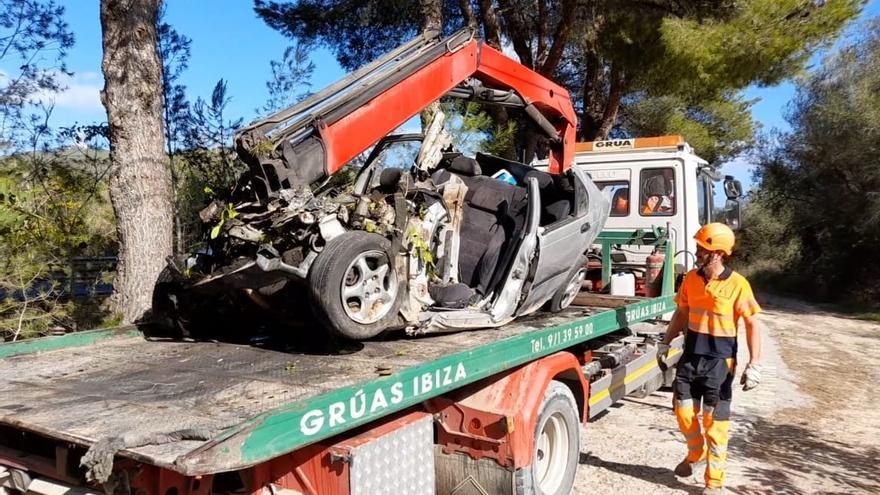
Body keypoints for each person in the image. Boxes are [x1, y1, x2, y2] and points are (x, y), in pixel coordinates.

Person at [659, 223, 763, 495]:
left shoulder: (738, 285)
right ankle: (696, 452)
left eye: (701, 248)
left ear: (717, 253)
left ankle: (713, 482)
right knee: (682, 413)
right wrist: (665, 341)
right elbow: (681, 313)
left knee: (714, 424)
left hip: (720, 363)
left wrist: (755, 364)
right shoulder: (691, 279)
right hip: (691, 357)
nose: (696, 251)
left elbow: (753, 324)